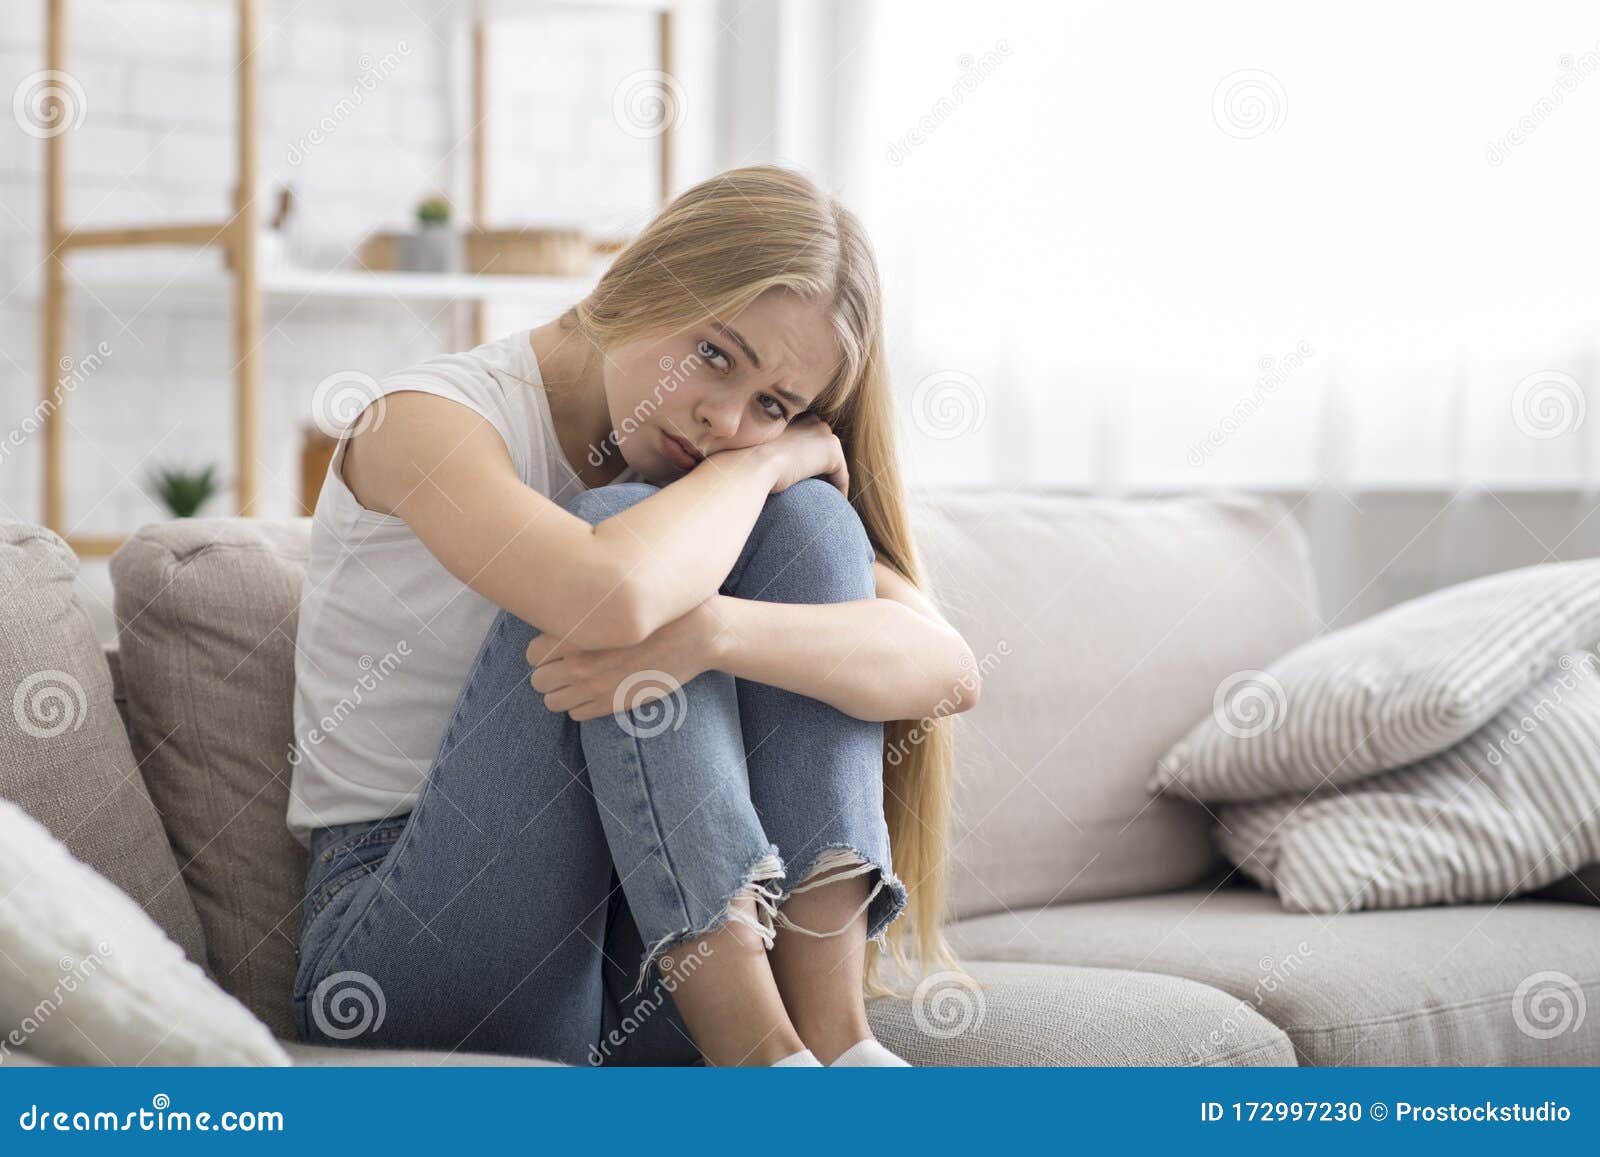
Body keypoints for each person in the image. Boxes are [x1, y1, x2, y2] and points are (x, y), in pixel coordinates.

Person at [288, 164, 979, 1067]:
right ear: (643, 278)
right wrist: (759, 464)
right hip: (406, 943)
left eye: (776, 405)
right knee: (622, 535)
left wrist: (716, 631)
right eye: (716, 354)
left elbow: (945, 666)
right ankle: (760, 1057)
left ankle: (838, 1046)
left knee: (814, 523)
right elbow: (605, 592)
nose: (726, 417)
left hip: (637, 937)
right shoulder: (420, 419)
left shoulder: (703, 470)